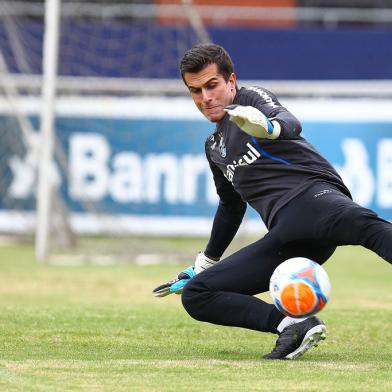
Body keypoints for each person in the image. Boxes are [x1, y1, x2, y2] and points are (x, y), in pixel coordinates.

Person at [152, 43, 392, 360]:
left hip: (314, 199)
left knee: (370, 228)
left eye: (212, 85)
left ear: (231, 81)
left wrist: (268, 127)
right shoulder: (213, 147)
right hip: (288, 235)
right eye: (195, 91)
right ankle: (293, 327)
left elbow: (289, 122)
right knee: (198, 294)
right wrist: (204, 264)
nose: (205, 97)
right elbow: (231, 206)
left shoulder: (250, 100)